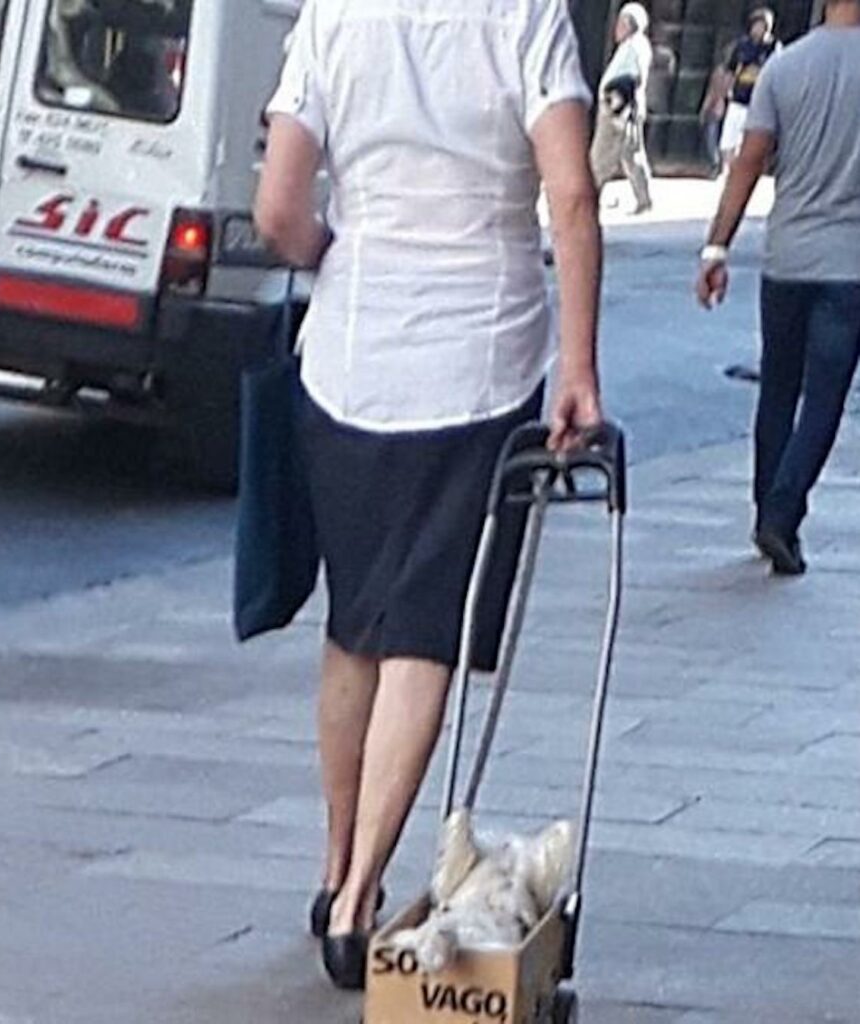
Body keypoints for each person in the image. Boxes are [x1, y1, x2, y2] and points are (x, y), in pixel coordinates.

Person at [255, 0, 603, 992]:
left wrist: (348, 255)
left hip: (350, 352)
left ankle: (333, 874)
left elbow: (279, 209)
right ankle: (365, 889)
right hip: (480, 360)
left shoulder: (334, 14)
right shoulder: (525, 15)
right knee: (423, 631)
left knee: (355, 618)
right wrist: (579, 363)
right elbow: (571, 195)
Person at [696, 0, 860, 576]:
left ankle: (767, 505)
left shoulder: (784, 68)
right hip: (850, 265)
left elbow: (749, 161)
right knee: (824, 398)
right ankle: (783, 512)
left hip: (786, 258)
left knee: (778, 386)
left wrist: (717, 247)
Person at [590, 2, 654, 215]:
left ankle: (590, 198)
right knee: (631, 156)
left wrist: (614, 107)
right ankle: (644, 199)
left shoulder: (635, 46)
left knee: (602, 156)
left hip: (619, 111)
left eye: (621, 23)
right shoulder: (631, 46)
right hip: (623, 110)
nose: (617, 27)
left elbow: (628, 80)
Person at [719, 8, 780, 168]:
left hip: (758, 102)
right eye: (756, 25)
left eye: (761, 26)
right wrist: (724, 94)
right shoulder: (742, 45)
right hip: (738, 98)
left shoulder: (773, 48)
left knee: (749, 141)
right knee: (728, 140)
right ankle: (727, 168)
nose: (757, 29)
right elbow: (730, 71)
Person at [699, 44, 733, 177]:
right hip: (721, 106)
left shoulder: (725, 71)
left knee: (714, 138)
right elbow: (714, 91)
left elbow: (713, 91)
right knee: (715, 137)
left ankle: (718, 164)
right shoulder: (723, 71)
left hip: (724, 107)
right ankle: (718, 164)